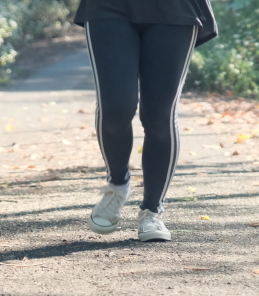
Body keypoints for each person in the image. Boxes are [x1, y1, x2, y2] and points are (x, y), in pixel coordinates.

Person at [74, 0, 217, 242]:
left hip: (176, 8)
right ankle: (117, 185)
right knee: (115, 107)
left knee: (160, 115)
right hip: (108, 7)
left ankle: (152, 210)